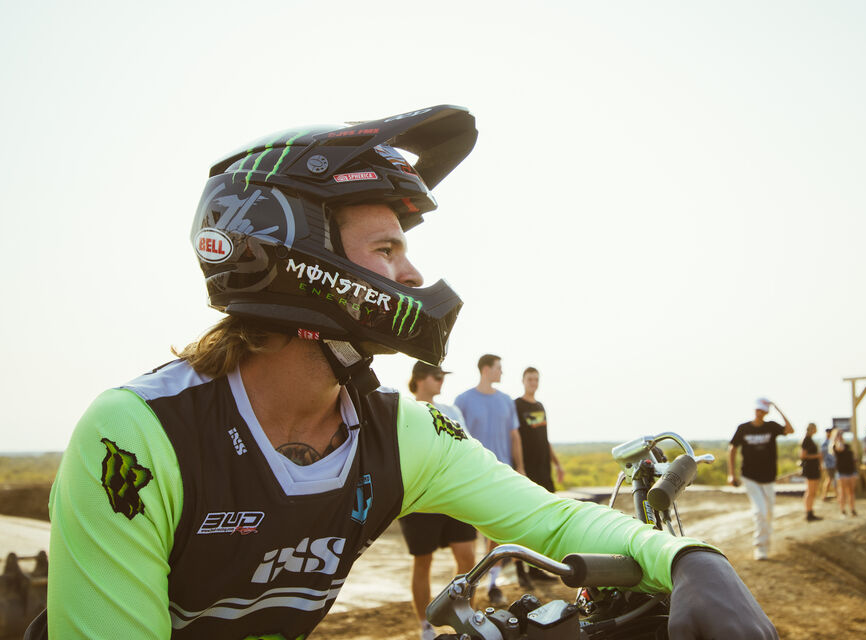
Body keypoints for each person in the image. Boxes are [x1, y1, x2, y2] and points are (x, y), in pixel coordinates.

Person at [29, 106, 776, 640]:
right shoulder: (139, 434)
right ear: (292, 255)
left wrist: (690, 560)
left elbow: (552, 520)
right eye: (386, 249)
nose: (412, 273)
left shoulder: (395, 432)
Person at [399, 361, 476, 640]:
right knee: (423, 561)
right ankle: (425, 626)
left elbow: (466, 447)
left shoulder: (452, 411)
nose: (441, 380)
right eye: (437, 376)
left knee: (468, 558)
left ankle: (465, 617)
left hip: (453, 493)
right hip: (419, 497)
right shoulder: (402, 410)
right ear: (420, 378)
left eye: (443, 376)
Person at [454, 354, 523, 603]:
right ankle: (466, 587)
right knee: (468, 538)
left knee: (497, 534)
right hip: (472, 475)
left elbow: (514, 436)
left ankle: (493, 585)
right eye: (498, 368)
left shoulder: (506, 401)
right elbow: (455, 437)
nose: (501, 372)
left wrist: (520, 467)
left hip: (501, 474)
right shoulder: (463, 400)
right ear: (486, 369)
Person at [513, 366, 565, 585]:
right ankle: (520, 570)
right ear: (523, 381)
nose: (533, 382)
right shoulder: (516, 405)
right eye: (530, 379)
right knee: (524, 520)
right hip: (527, 470)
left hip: (544, 471)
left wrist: (557, 464)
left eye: (536, 379)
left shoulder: (540, 406)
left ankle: (536, 568)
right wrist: (519, 467)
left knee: (543, 520)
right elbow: (514, 437)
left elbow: (545, 439)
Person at [728, 397, 795, 560]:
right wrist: (731, 474)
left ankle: (765, 543)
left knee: (769, 513)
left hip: (768, 478)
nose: (759, 413)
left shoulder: (771, 426)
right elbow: (732, 449)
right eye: (758, 410)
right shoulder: (743, 428)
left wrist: (778, 408)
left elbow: (790, 430)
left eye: (762, 410)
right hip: (749, 477)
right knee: (760, 511)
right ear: (754, 410)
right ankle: (760, 547)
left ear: (766, 412)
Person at [799, 423, 823, 522]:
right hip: (810, 469)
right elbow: (803, 455)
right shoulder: (806, 440)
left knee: (812, 491)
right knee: (810, 491)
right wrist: (817, 456)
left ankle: (810, 511)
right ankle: (808, 513)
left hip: (814, 468)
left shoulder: (810, 440)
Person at [831, 430, 857, 517]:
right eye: (839, 434)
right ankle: (843, 510)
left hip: (851, 471)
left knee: (851, 492)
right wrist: (837, 439)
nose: (841, 436)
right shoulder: (835, 446)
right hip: (842, 472)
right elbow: (840, 448)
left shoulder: (847, 445)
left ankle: (852, 509)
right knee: (842, 492)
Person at [819, 427, 837, 500]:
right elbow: (822, 454)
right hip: (829, 464)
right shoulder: (825, 443)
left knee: (832, 479)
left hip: (833, 463)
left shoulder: (831, 441)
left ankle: (835, 495)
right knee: (830, 479)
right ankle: (824, 495)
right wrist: (821, 464)